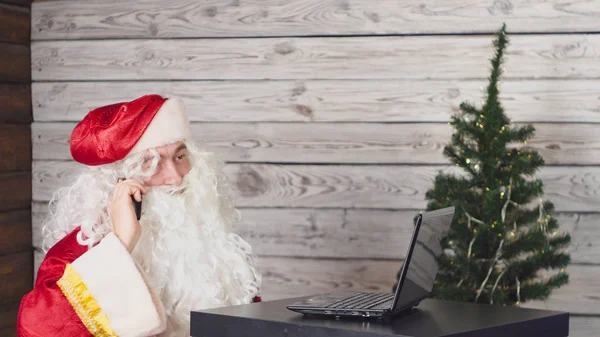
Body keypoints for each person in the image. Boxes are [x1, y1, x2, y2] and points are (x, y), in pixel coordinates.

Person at [17, 94, 262, 337]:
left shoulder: (215, 244)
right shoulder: (76, 252)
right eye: (151, 163)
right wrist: (121, 244)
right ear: (117, 181)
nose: (176, 178)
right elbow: (38, 328)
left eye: (180, 156)